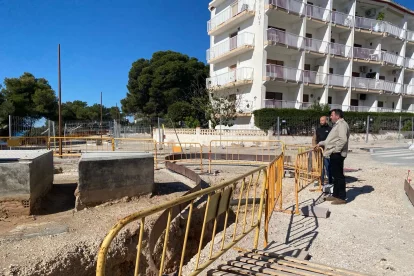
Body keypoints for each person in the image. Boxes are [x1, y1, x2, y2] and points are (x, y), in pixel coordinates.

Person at [317, 109, 350, 205]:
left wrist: (336, 150)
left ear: (337, 116)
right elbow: (332, 140)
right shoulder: (338, 125)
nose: (330, 117)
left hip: (337, 154)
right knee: (335, 175)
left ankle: (342, 197)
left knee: (339, 176)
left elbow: (343, 139)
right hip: (334, 153)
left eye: (332, 115)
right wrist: (321, 143)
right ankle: (335, 195)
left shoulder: (342, 125)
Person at [312, 116, 332, 192]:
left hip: (327, 152)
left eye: (322, 120)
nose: (321, 122)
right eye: (320, 120)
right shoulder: (318, 130)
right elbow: (314, 139)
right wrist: (314, 147)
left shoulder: (330, 129)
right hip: (319, 151)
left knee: (328, 167)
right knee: (320, 167)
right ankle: (321, 181)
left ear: (326, 121)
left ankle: (330, 182)